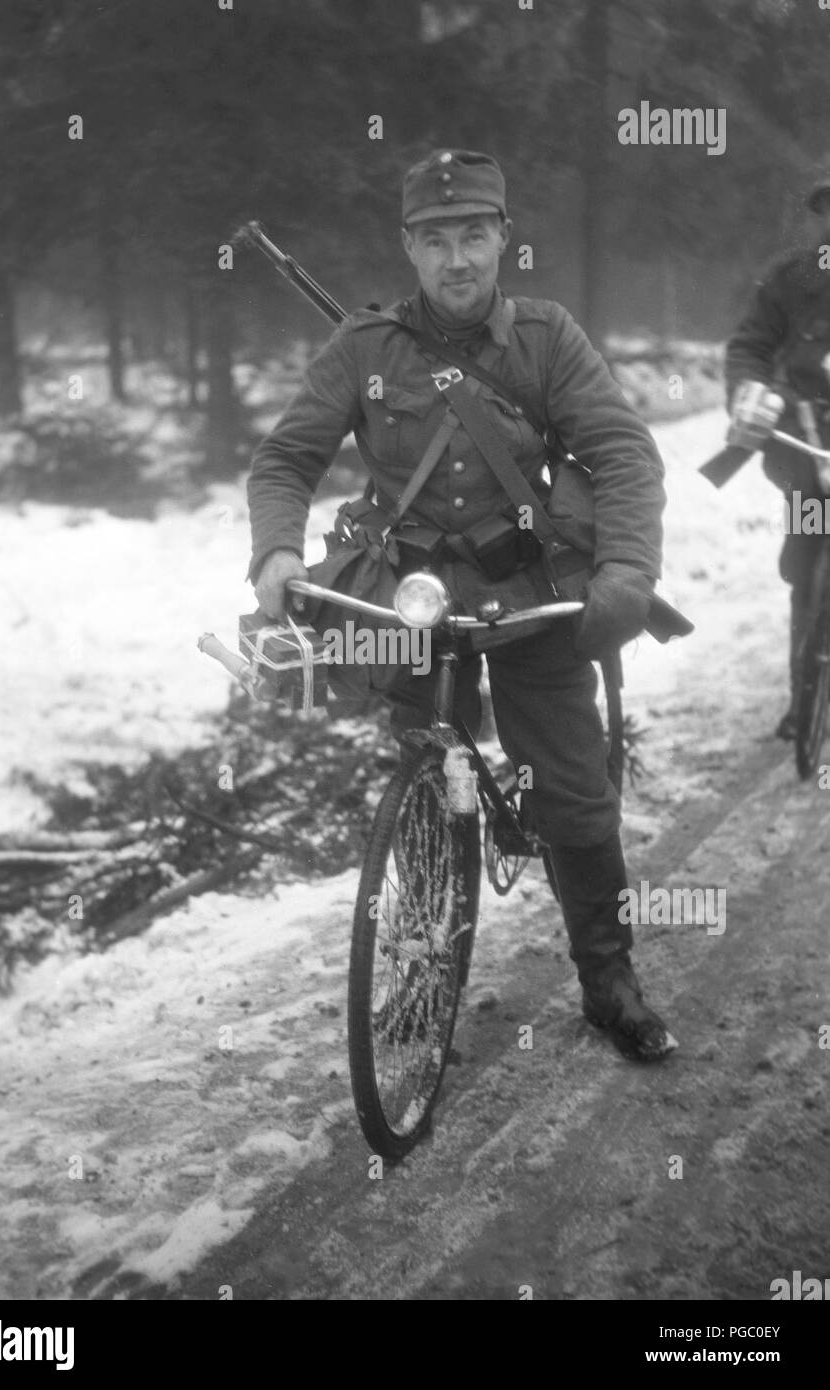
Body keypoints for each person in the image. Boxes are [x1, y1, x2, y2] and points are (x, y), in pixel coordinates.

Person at [246, 149, 675, 1060]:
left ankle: (608, 979)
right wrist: (278, 550)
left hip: (530, 595)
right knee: (421, 784)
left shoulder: (546, 339)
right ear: (408, 246)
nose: (455, 259)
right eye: (435, 239)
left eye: (473, 235)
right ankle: (421, 963)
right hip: (410, 605)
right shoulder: (363, 347)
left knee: (572, 794)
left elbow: (622, 455)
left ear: (502, 242)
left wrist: (626, 571)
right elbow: (286, 459)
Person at [725, 172, 830, 739]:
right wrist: (751, 390)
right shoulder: (791, 281)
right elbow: (750, 346)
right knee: (806, 561)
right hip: (807, 440)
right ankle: (803, 696)